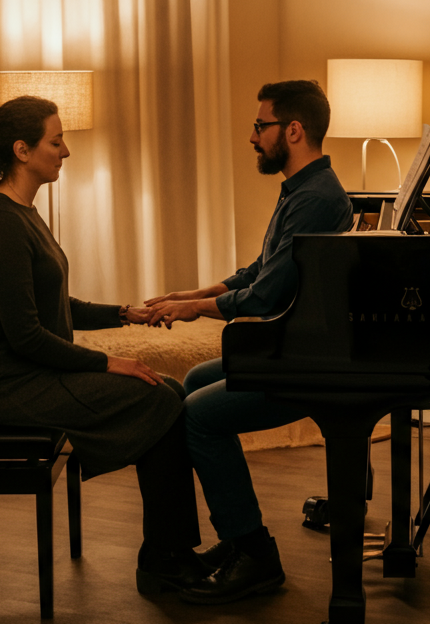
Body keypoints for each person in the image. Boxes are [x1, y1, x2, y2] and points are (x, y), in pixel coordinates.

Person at [0, 95, 207, 595]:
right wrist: (113, 363)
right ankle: (165, 558)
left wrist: (124, 315)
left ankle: (170, 551)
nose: (65, 151)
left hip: (28, 373)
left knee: (170, 395)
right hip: (0, 383)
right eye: (57, 140)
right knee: (160, 398)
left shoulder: (20, 212)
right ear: (22, 151)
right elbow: (25, 336)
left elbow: (52, 304)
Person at [144, 80, 353, 604]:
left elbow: (265, 296)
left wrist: (192, 310)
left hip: (311, 360)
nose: (253, 137)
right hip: (299, 346)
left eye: (261, 126)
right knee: (193, 381)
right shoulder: (304, 190)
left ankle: (255, 553)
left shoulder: (316, 200)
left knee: (197, 415)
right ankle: (239, 540)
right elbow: (260, 271)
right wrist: (195, 292)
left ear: (294, 130)